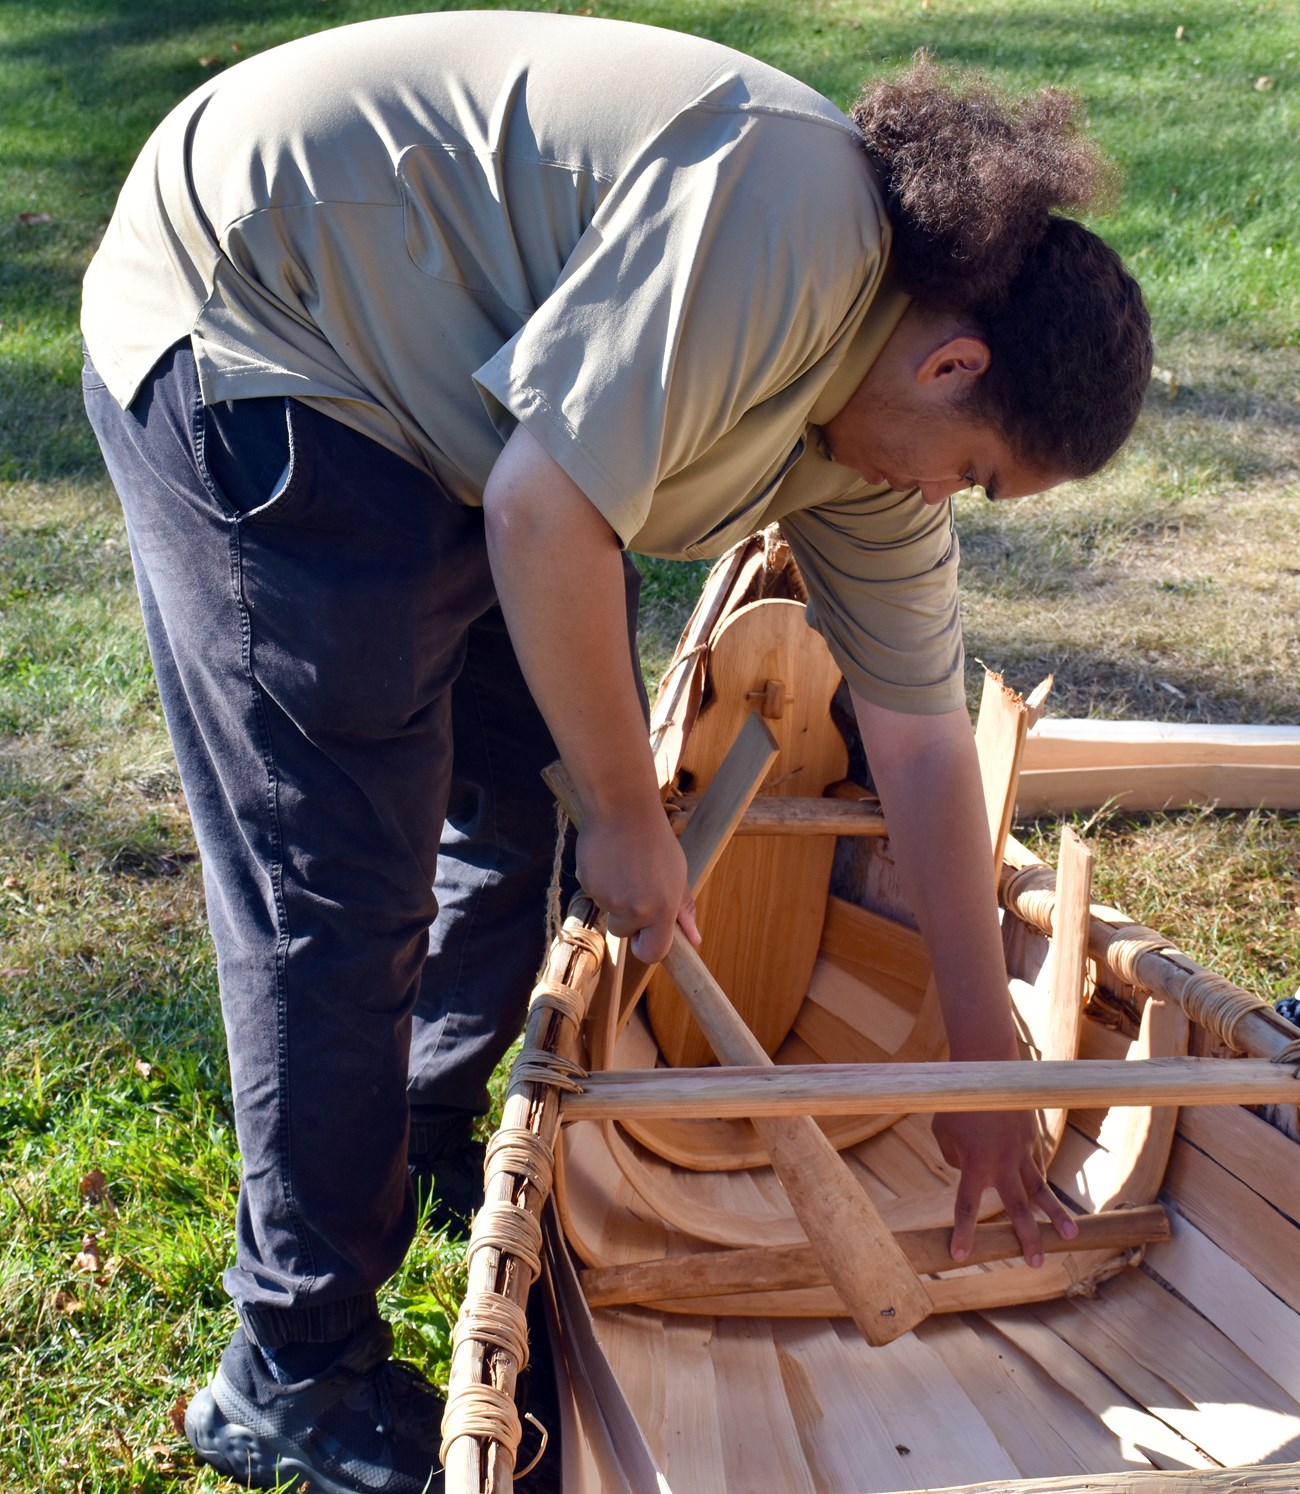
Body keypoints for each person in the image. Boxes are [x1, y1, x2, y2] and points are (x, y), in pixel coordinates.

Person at [81, 11, 1152, 1492]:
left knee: (513, 815)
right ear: (955, 362)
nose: (952, 496)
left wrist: (984, 1075)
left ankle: (422, 1123)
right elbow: (542, 511)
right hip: (264, 313)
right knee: (337, 882)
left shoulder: (878, 449)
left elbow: (922, 751)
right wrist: (626, 808)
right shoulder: (789, 225)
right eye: (976, 470)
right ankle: (290, 1366)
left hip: (440, 388)